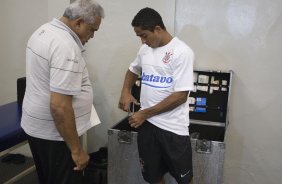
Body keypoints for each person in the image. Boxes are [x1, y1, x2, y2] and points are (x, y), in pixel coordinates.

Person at [20, 0, 104, 183]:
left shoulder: (44, 31)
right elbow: (59, 106)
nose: (93, 36)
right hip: (56, 136)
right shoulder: (65, 46)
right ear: (79, 22)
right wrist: (76, 150)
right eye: (92, 30)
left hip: (38, 128)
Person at [118, 7, 194, 184]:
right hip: (147, 127)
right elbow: (132, 70)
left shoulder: (182, 52)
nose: (142, 41)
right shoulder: (145, 50)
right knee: (153, 177)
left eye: (144, 35)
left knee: (185, 180)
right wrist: (125, 92)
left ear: (157, 29)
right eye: (139, 36)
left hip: (173, 130)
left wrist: (144, 113)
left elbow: (181, 96)